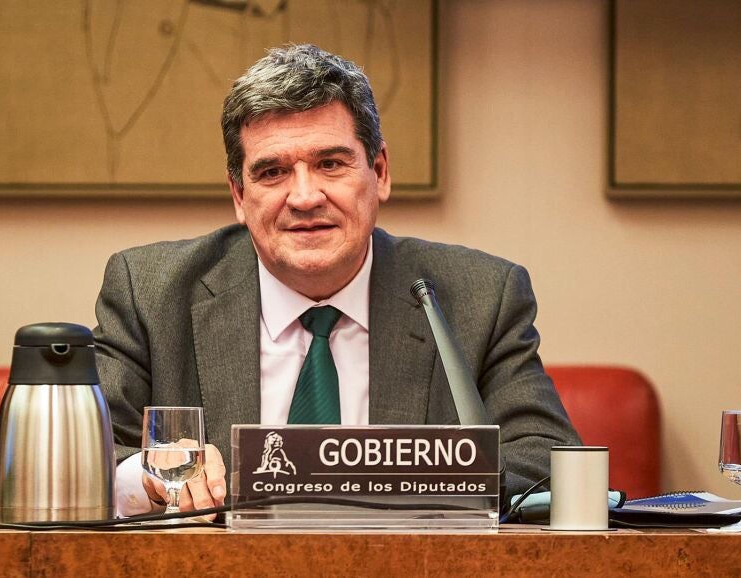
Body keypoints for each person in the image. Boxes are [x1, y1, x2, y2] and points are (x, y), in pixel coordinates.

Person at [94, 44, 580, 517]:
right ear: (239, 195)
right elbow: (84, 456)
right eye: (273, 172)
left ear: (379, 172)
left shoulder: (479, 296)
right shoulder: (151, 293)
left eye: (330, 164)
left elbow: (548, 462)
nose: (305, 197)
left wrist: (417, 482)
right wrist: (151, 475)